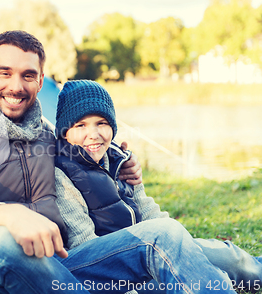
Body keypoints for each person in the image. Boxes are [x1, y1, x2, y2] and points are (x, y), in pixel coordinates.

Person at [0, 30, 236, 294]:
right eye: (5, 73)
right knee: (3, 241)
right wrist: (7, 215)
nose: (16, 86)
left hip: (60, 265)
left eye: (28, 75)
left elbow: (87, 147)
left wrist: (120, 162)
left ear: (41, 79)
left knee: (164, 233)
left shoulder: (42, 130)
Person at [54, 79, 262, 293]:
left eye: (101, 123)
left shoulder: (118, 161)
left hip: (150, 250)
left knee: (225, 257)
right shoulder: (61, 174)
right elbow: (86, 245)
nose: (93, 133)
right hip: (116, 271)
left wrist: (184, 248)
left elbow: (150, 213)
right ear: (64, 132)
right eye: (81, 125)